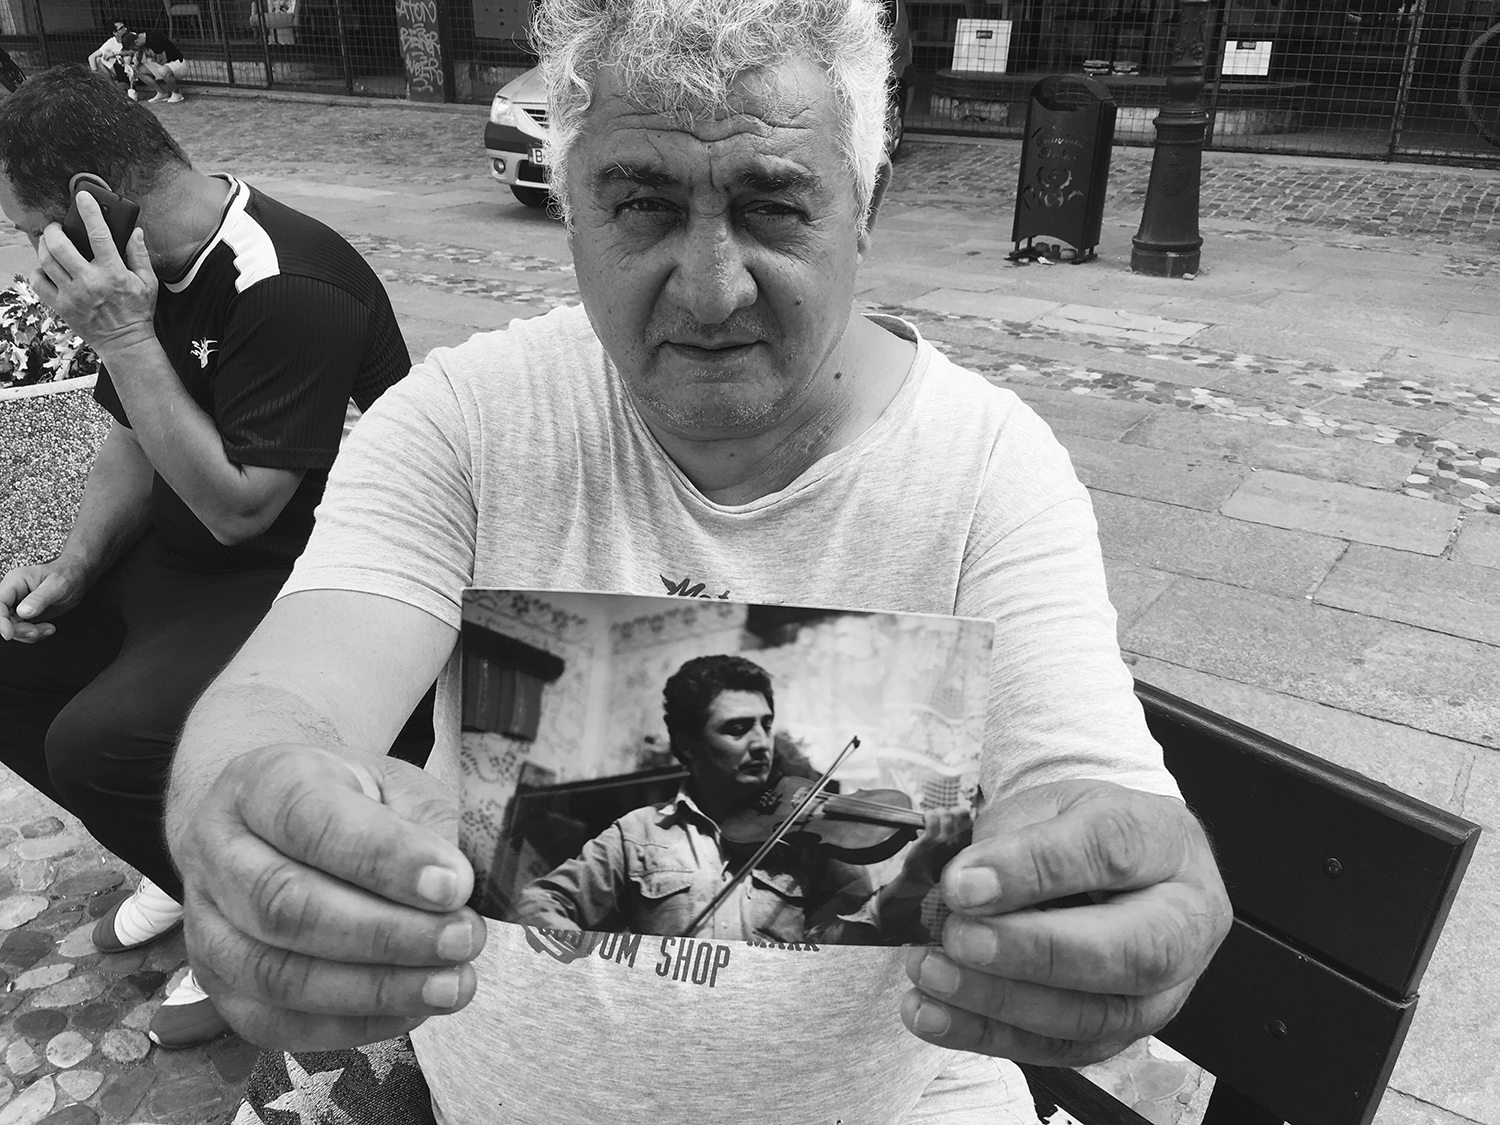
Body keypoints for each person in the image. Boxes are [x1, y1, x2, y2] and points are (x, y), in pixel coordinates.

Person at [166, 0, 1233, 1119]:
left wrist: (1124, 880)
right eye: (642, 204)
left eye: (775, 207)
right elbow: (289, 696)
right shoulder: (463, 420)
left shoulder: (987, 467)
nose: (713, 287)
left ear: (861, 213)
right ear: (569, 209)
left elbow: (1083, 779)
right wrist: (240, 811)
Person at [0, 66, 412, 1050]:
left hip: (312, 575)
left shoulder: (288, 281)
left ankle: (261, 924)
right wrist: (72, 567)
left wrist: (122, 334)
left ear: (92, 205)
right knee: (11, 661)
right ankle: (191, 865)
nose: (27, 258)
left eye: (28, 229)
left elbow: (239, 513)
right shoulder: (145, 274)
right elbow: (130, 439)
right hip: (192, 568)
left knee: (102, 744)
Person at [516, 654, 970, 944]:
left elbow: (850, 941)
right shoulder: (636, 833)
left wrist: (914, 877)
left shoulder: (812, 834)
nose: (761, 743)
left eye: (765, 725)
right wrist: (603, 972)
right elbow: (539, 903)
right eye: (737, 728)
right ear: (689, 747)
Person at [125, 29, 187, 104]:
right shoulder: (144, 40)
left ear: (136, 42)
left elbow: (163, 61)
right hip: (163, 66)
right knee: (139, 70)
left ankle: (177, 93)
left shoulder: (154, 41)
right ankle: (162, 93)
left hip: (177, 64)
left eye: (135, 47)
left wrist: (152, 57)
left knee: (162, 70)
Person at [86, 22, 135, 94]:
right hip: (121, 69)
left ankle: (131, 87)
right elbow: (91, 57)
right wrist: (94, 72)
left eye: (124, 27)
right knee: (98, 60)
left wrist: (114, 53)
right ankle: (114, 89)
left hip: (134, 67)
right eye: (121, 28)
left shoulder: (132, 36)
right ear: (115, 33)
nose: (125, 29)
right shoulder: (111, 42)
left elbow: (134, 51)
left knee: (127, 58)